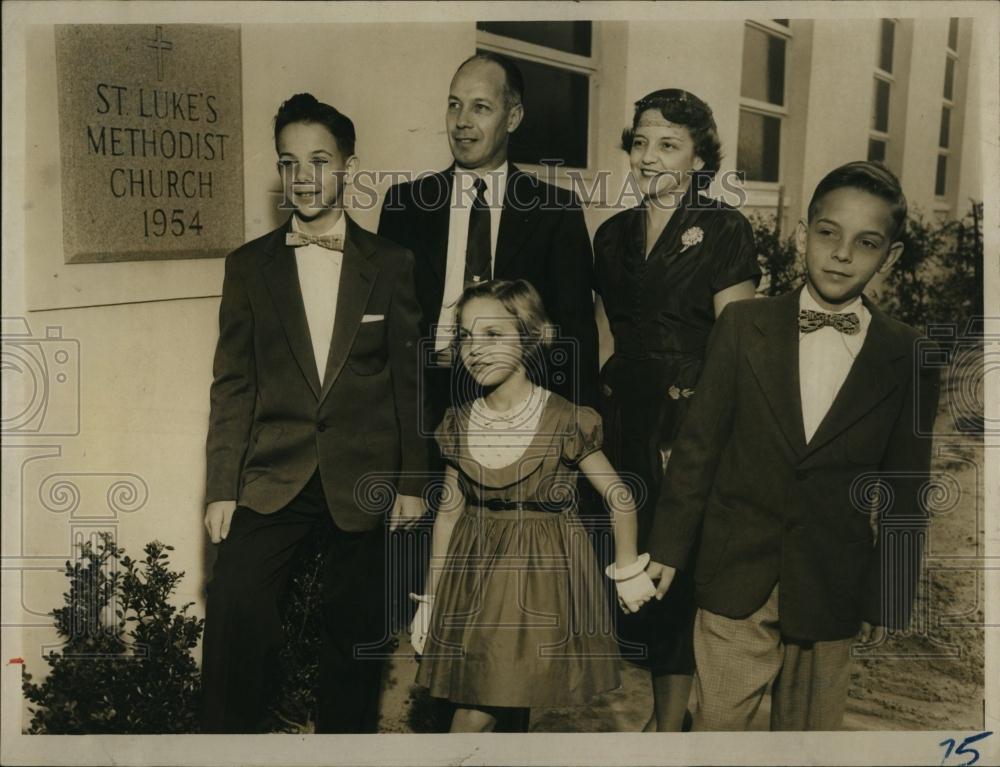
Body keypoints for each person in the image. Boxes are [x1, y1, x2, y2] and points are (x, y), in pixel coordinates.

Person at [644, 161, 941, 731]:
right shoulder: (743, 325)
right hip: (734, 572)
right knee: (716, 731)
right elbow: (698, 447)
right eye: (828, 233)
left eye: (867, 242)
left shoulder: (907, 353)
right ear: (803, 235)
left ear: (892, 257)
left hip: (831, 584)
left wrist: (890, 591)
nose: (842, 253)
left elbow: (909, 487)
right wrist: (669, 549)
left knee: (808, 741)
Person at [200, 93, 428, 733]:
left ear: (348, 165)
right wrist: (222, 488)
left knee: (356, 635)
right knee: (237, 608)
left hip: (364, 475)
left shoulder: (391, 264)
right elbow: (232, 384)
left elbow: (410, 382)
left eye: (319, 161)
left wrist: (412, 483)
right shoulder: (249, 267)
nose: (304, 177)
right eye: (289, 162)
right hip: (275, 475)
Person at [407, 279, 655, 733]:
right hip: (473, 573)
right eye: (466, 336)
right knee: (509, 701)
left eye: (493, 336)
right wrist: (430, 596)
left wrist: (627, 567)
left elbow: (619, 495)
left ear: (531, 337)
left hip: (539, 574)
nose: (475, 350)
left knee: (475, 713)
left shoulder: (563, 418)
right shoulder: (460, 422)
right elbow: (447, 512)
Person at [592, 88, 760, 731]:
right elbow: (608, 332)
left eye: (669, 144)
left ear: (698, 158)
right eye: (641, 143)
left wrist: (715, 431)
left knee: (675, 572)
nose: (651, 157)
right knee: (626, 568)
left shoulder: (723, 228)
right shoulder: (610, 237)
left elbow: (737, 344)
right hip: (621, 414)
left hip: (688, 419)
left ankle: (668, 725)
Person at [378, 51, 599, 422]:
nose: (462, 122)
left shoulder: (555, 210)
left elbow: (575, 329)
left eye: (480, 107)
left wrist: (576, 421)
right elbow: (386, 322)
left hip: (519, 403)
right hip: (421, 400)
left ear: (513, 118)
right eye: (454, 105)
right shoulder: (405, 205)